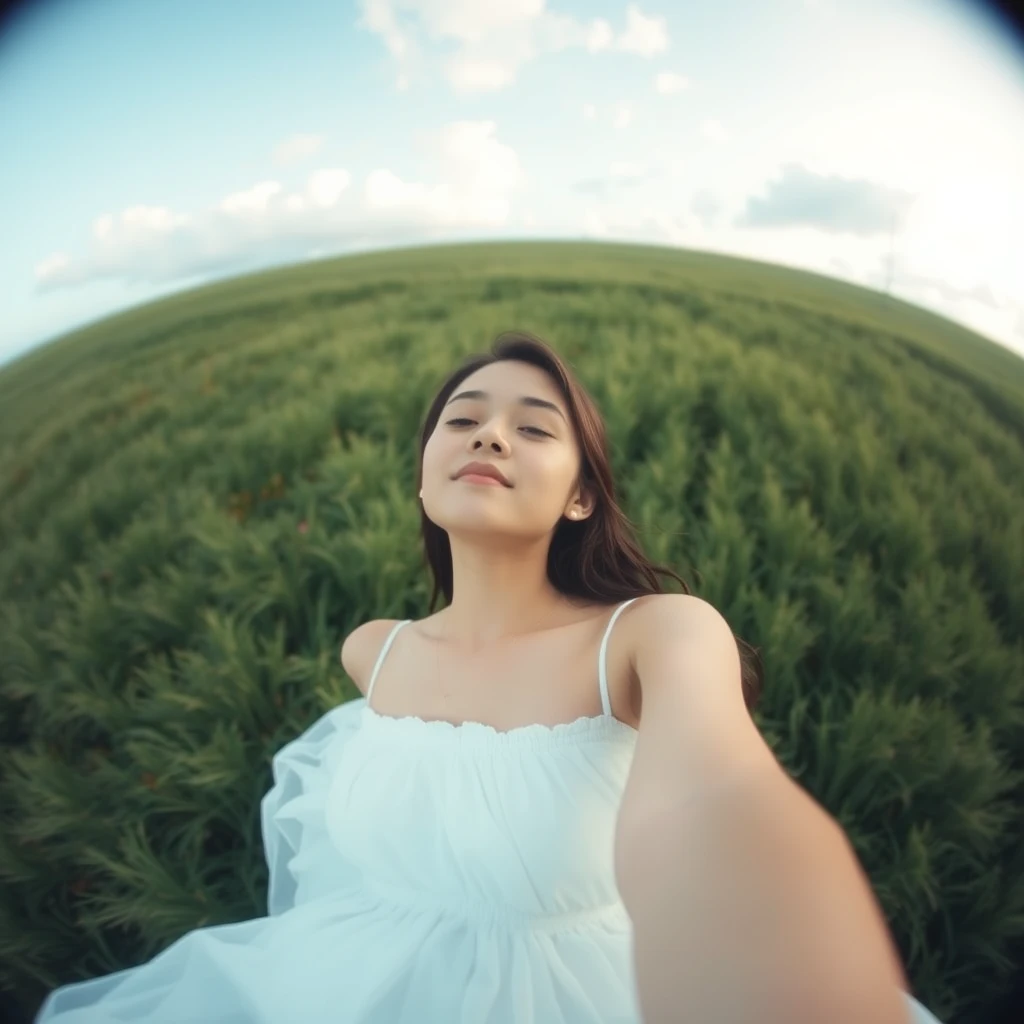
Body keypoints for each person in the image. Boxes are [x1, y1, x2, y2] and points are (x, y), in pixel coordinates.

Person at [35, 331, 946, 1023]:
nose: (491, 436)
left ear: (581, 495)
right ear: (426, 477)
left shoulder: (652, 637)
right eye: (463, 420)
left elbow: (716, 799)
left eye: (533, 427)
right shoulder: (374, 652)